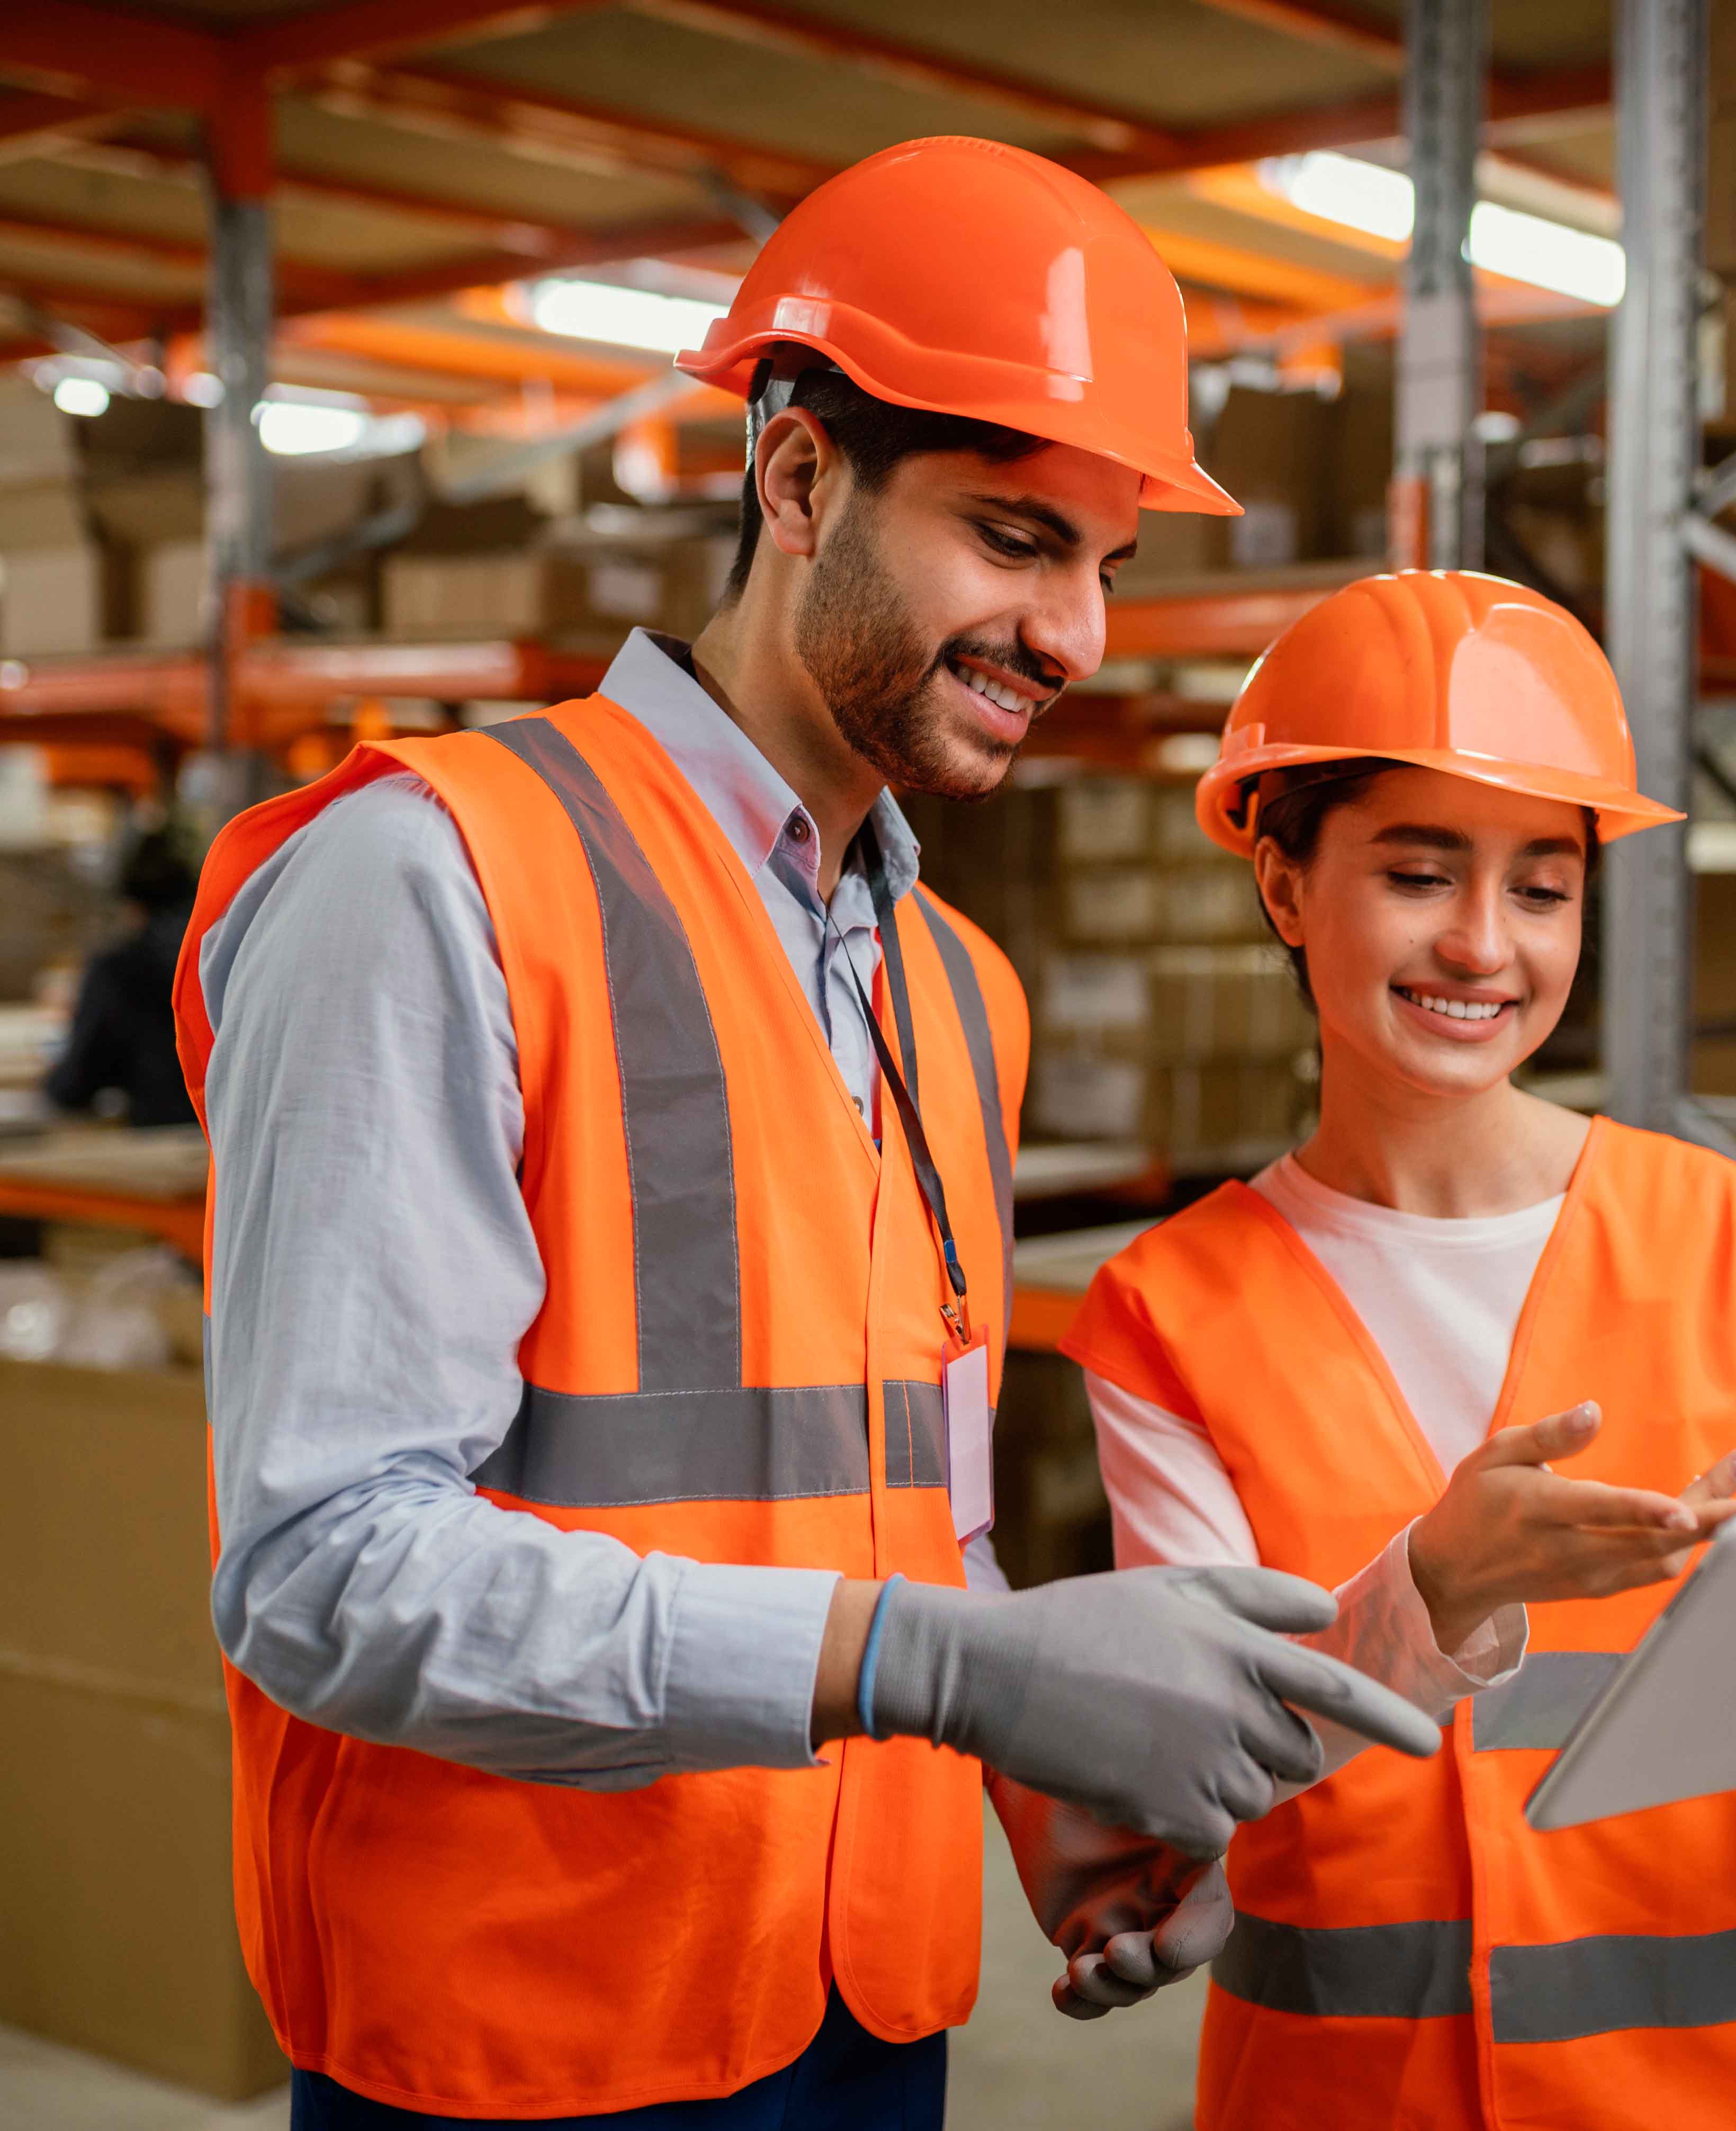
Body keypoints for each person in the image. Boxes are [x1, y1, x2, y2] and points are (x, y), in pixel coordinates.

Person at [169, 139, 1459, 2131]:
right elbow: (327, 1567)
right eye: (1017, 539)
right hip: (528, 2033)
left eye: (1107, 567)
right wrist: (949, 1669)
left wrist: (1035, 1781)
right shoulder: (433, 877)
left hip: (865, 2014)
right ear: (793, 479)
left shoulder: (953, 982)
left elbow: (889, 1507)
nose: (1079, 637)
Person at [1062, 570, 1736, 2130]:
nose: (1484, 946)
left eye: (1542, 889)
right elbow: (1189, 1776)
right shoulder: (1169, 1313)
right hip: (1362, 2097)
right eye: (1420, 875)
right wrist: (1440, 1586)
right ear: (1283, 887)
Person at [44, 826, 199, 1127]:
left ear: (132, 907)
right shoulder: (224, 960)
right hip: (225, 1147)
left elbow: (74, 1085)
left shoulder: (117, 971)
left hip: (155, 1145)